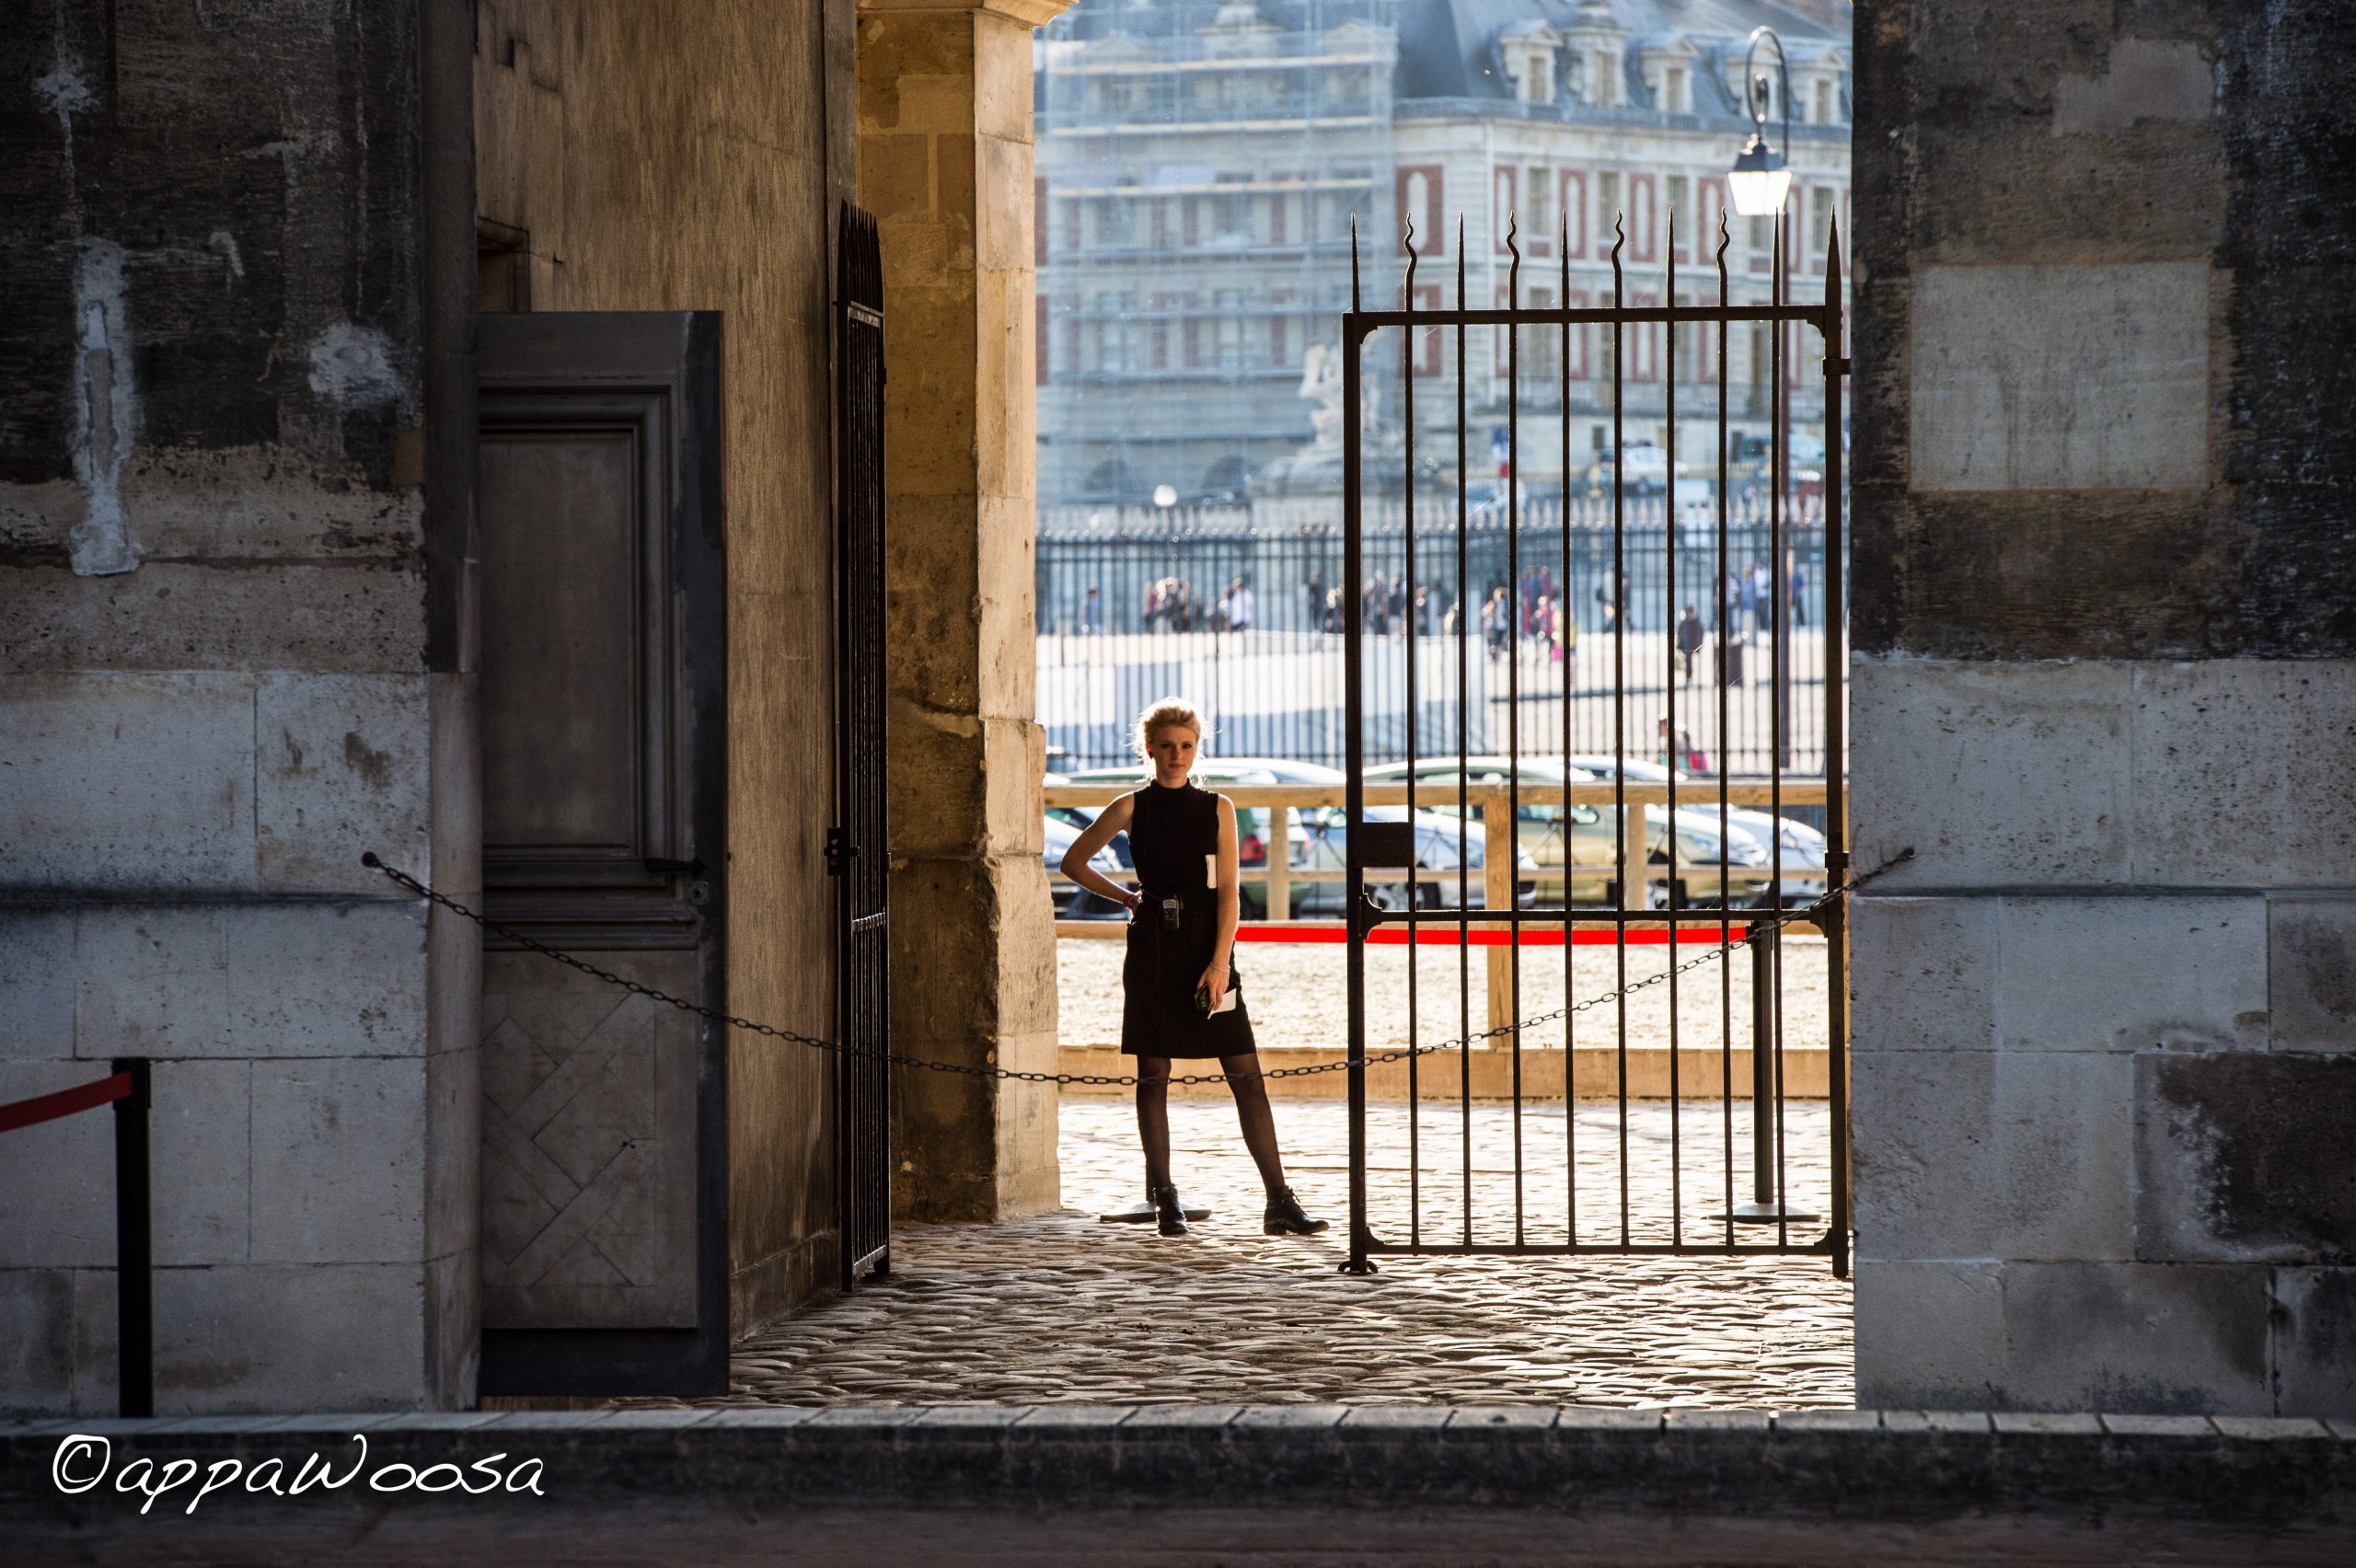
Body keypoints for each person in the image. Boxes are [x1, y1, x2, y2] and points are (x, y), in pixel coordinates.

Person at [1059, 700, 1328, 1239]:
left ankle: (1279, 1200)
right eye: (1166, 746)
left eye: (1186, 746)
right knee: (1153, 1076)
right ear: (1150, 749)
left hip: (1210, 948)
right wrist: (1128, 899)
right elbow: (1073, 862)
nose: (1177, 756)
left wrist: (1219, 963)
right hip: (1154, 947)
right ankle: (1165, 1200)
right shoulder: (1131, 806)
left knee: (1247, 1076)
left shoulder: (1218, 807)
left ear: (1196, 749)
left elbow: (1229, 892)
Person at [1675, 604, 1704, 690]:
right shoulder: (1684, 621)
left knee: (1688, 661)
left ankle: (1688, 677)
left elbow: (1700, 634)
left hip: (1692, 645)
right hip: (1686, 645)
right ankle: (1688, 677)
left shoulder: (1695, 622)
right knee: (1687, 661)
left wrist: (1698, 645)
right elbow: (1679, 632)